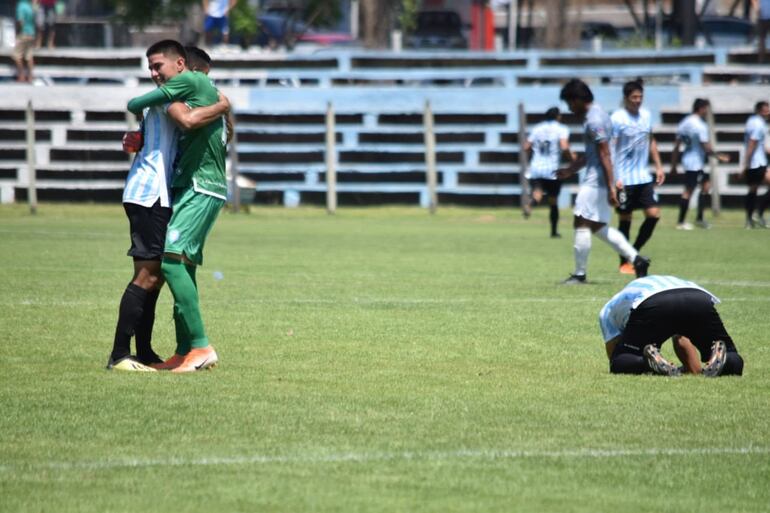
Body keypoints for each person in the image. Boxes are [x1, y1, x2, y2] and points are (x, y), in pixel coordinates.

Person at [108, 42, 231, 372]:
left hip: (163, 192)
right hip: (150, 192)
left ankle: (148, 353)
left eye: (157, 66)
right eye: (150, 67)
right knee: (152, 273)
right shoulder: (172, 96)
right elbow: (186, 121)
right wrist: (222, 106)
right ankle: (121, 354)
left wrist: (137, 138)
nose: (153, 73)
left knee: (158, 276)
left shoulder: (176, 93)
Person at [557, 78, 650, 284]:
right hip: (600, 177)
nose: (570, 108)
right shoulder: (596, 114)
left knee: (581, 221)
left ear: (578, 99)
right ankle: (637, 260)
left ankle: (580, 274)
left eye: (570, 103)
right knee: (596, 226)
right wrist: (570, 169)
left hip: (597, 180)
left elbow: (605, 153)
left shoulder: (595, 120)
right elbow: (593, 152)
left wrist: (611, 186)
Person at [600, 275, 744, 377]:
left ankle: (649, 363)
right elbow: (681, 338)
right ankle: (727, 361)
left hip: (653, 299)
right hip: (697, 297)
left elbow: (614, 355)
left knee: (622, 360)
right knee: (731, 354)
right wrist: (694, 372)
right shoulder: (637, 290)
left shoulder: (607, 312)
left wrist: (621, 360)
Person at [611, 80, 665, 275]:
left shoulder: (646, 115)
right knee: (626, 219)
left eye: (640, 97)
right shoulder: (617, 118)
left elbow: (651, 141)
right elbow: (610, 147)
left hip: (643, 177)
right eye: (634, 97)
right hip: (623, 179)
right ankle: (624, 263)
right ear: (626, 98)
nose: (638, 100)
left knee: (654, 214)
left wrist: (658, 166)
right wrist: (614, 177)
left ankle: (633, 253)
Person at [669, 98, 729, 230]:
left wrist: (673, 165)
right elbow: (706, 146)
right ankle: (681, 222)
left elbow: (677, 145)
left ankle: (699, 218)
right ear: (701, 108)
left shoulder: (684, 122)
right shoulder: (700, 125)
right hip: (694, 162)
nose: (707, 112)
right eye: (707, 109)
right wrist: (719, 156)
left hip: (688, 159)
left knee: (706, 185)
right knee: (688, 191)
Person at [522, 107, 573, 238]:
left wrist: (532, 154)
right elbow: (564, 146)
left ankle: (530, 204)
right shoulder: (561, 128)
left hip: (536, 168)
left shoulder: (537, 128)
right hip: (552, 169)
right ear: (558, 116)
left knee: (537, 193)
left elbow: (526, 146)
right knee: (553, 201)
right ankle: (554, 231)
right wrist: (572, 157)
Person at [741, 101, 770, 228]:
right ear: (759, 110)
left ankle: (751, 218)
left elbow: (758, 143)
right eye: (766, 110)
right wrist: (746, 162)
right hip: (757, 162)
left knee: (753, 190)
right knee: (753, 190)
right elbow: (753, 142)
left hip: (757, 161)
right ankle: (754, 216)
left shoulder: (751, 121)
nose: (768, 112)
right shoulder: (759, 124)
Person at [13, 0, 36, 83]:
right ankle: (30, 76)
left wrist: (18, 32)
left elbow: (20, 21)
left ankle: (21, 75)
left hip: (24, 33)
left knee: (16, 55)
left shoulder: (21, 6)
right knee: (29, 56)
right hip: (31, 33)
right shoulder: (29, 6)